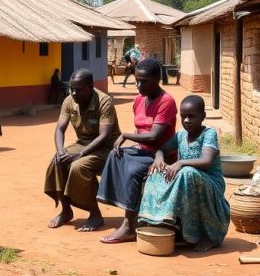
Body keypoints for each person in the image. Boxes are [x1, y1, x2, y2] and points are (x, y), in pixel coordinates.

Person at [99, 58, 177, 244]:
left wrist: (126, 136)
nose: (138, 85)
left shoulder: (166, 101)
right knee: (115, 154)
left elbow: (154, 136)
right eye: (137, 80)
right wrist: (133, 143)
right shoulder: (139, 100)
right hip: (143, 151)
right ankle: (117, 203)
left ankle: (128, 226)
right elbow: (140, 130)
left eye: (143, 81)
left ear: (157, 79)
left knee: (133, 170)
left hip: (161, 154)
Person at [138, 95, 229, 252]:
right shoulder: (181, 135)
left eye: (191, 116)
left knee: (187, 173)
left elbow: (206, 161)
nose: (186, 120)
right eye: (183, 116)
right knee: (155, 172)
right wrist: (158, 160)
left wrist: (180, 163)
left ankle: (208, 236)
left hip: (211, 184)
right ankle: (162, 224)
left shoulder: (209, 134)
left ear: (203, 116)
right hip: (187, 179)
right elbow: (162, 150)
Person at [43, 69, 121, 232]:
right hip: (83, 143)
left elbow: (105, 136)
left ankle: (95, 214)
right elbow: (60, 129)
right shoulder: (69, 101)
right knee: (57, 162)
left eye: (78, 89)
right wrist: (60, 151)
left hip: (107, 147)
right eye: (71, 88)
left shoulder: (104, 101)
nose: (73, 92)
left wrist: (80, 154)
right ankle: (66, 211)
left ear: (91, 87)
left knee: (79, 166)